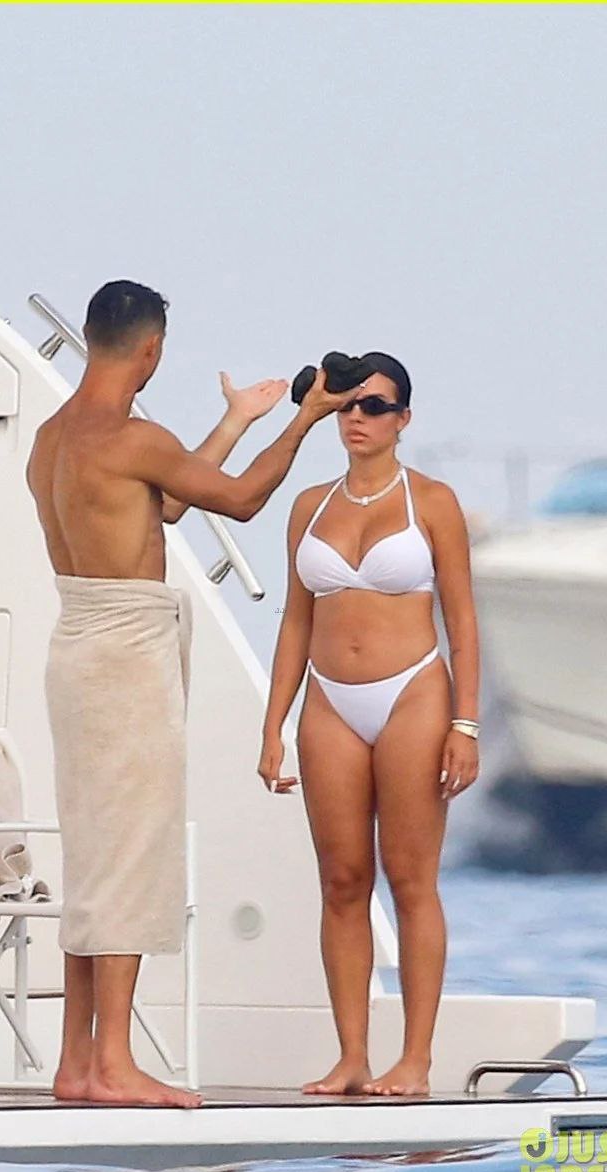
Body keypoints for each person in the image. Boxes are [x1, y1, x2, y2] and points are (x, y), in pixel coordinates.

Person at [26, 279, 358, 1108]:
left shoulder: (53, 437)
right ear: (151, 349)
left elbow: (166, 503)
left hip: (77, 646)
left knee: (95, 858)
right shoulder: (133, 437)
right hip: (125, 656)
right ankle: (114, 1064)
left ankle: (77, 1062)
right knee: (130, 856)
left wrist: (236, 421)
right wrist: (303, 420)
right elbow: (238, 503)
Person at [258, 352, 480, 1097]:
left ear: (402, 419)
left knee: (410, 879)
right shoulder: (308, 506)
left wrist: (466, 724)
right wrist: (272, 726)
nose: (358, 417)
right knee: (341, 880)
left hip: (413, 692)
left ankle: (414, 1060)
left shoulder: (433, 502)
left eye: (375, 406)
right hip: (328, 700)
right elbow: (295, 621)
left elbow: (462, 622)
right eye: (349, 405)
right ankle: (352, 1056)